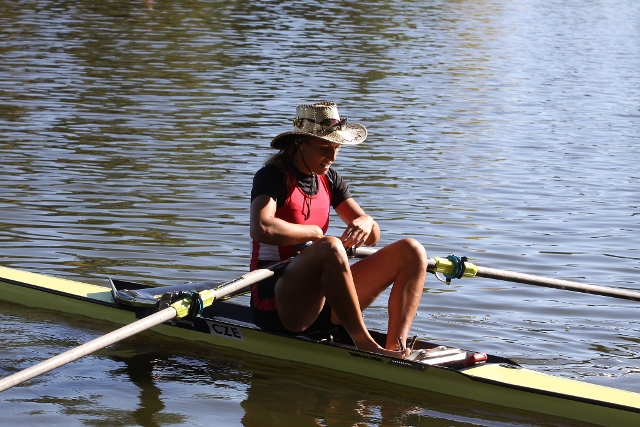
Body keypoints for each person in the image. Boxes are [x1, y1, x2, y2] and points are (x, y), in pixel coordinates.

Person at [249, 101, 428, 358]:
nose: (332, 158)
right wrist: (314, 233)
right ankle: (364, 343)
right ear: (301, 143)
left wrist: (366, 220)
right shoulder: (272, 176)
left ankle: (396, 350)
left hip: (322, 298)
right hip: (275, 301)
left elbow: (373, 238)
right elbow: (261, 227)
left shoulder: (330, 179)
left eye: (337, 148)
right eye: (325, 148)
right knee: (331, 246)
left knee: (412, 251)